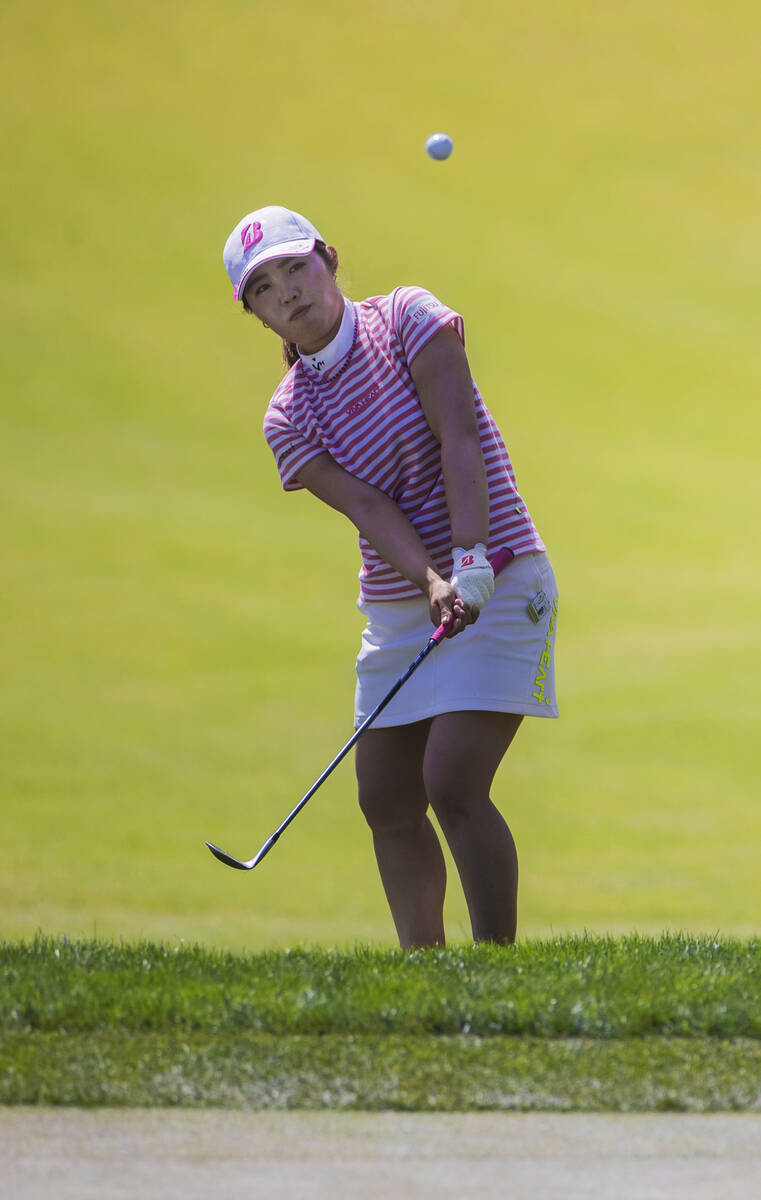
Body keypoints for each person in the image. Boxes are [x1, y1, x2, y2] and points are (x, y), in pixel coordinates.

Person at [222, 205, 559, 950]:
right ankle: (422, 978)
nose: (288, 293)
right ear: (254, 313)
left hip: (502, 576)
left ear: (329, 259)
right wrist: (432, 581)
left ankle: (492, 972)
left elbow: (458, 437)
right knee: (385, 799)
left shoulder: (410, 317)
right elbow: (367, 507)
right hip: (406, 604)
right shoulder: (288, 416)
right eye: (264, 288)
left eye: (295, 268)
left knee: (453, 783)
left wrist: (468, 559)